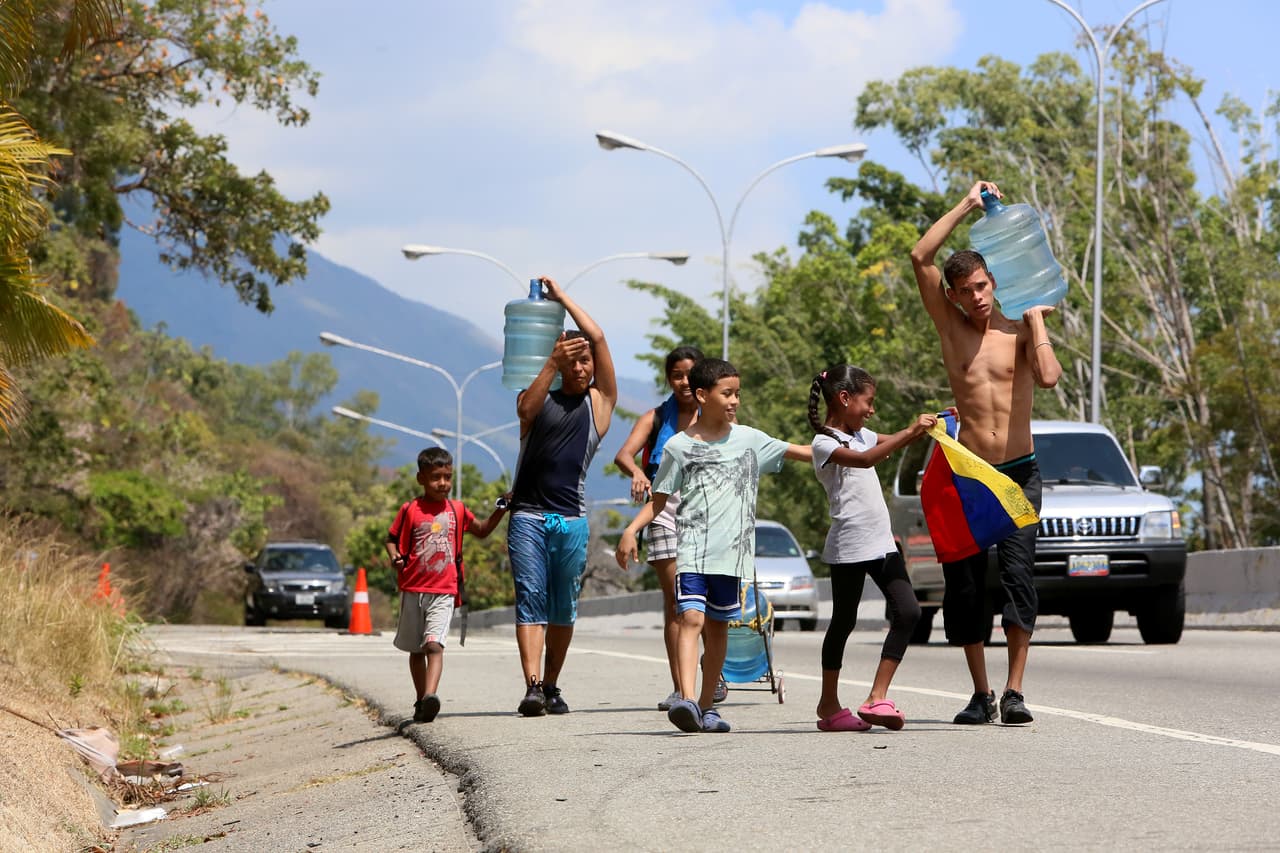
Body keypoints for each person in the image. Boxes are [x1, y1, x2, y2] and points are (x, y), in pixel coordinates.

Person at [910, 179, 1063, 725]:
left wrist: (1037, 319)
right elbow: (920, 254)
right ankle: (981, 692)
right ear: (952, 296)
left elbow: (1047, 378)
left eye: (982, 285)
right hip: (970, 476)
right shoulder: (951, 330)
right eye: (966, 290)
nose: (976, 297)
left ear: (994, 281)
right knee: (968, 587)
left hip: (1019, 474)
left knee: (1019, 579)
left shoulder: (1021, 327)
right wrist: (969, 204)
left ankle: (1015, 691)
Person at [615, 357, 811, 734]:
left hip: (733, 556)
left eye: (737, 392)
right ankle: (686, 698)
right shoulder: (678, 446)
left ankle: (706, 707)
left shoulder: (751, 440)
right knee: (690, 618)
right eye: (727, 393)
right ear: (703, 395)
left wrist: (852, 452)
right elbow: (660, 497)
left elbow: (799, 452)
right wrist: (631, 530)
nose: (735, 400)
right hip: (692, 551)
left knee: (718, 628)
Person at [507, 276, 617, 717]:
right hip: (528, 517)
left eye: (585, 360)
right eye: (573, 361)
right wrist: (551, 362)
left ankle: (552, 683)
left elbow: (600, 337)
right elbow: (524, 411)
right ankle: (533, 686)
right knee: (530, 597)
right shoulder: (537, 397)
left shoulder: (599, 404)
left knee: (563, 607)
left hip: (570, 520)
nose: (581, 367)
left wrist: (562, 300)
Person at [807, 365, 935, 732]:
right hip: (849, 542)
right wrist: (911, 430)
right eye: (869, 402)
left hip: (881, 540)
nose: (872, 410)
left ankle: (876, 698)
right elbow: (865, 460)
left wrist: (929, 428)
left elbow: (889, 440)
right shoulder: (825, 443)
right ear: (844, 398)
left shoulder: (861, 433)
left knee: (909, 612)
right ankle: (829, 704)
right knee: (843, 622)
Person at [613, 345, 729, 712]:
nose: (682, 381)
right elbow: (623, 455)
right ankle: (682, 689)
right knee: (678, 603)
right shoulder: (654, 417)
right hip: (662, 508)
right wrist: (636, 474)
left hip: (707, 512)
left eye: (688, 375)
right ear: (668, 378)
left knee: (706, 603)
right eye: (675, 375)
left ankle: (711, 674)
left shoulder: (717, 415)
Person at [386, 447, 510, 723]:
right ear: (421, 478)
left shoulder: (457, 509)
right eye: (435, 478)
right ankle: (421, 701)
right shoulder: (410, 510)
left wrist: (500, 508)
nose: (442, 483)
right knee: (416, 650)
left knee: (434, 646)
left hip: (444, 590)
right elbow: (391, 538)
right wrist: (395, 557)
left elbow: (482, 530)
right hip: (412, 589)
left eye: (447, 477)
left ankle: (431, 696)